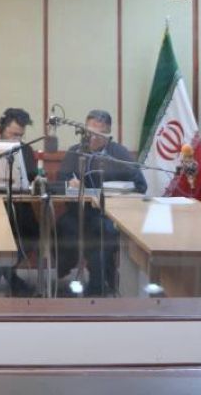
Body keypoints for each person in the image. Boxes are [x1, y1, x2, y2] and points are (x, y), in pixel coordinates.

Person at [55, 109, 147, 296]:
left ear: (108, 133)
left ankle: (97, 286)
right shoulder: (75, 151)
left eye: (100, 134)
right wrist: (69, 183)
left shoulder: (118, 153)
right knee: (63, 227)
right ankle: (64, 271)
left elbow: (140, 185)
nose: (93, 138)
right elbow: (60, 180)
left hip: (107, 214)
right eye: (90, 132)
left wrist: (117, 190)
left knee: (101, 234)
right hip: (77, 213)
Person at [0, 107, 40, 297]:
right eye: (13, 134)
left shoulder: (25, 149)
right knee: (0, 234)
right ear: (0, 128)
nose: (16, 139)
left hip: (19, 204)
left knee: (34, 235)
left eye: (20, 135)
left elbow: (32, 178)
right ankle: (11, 278)